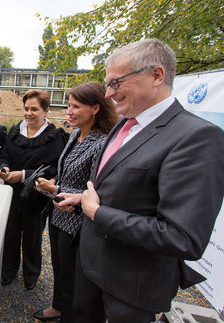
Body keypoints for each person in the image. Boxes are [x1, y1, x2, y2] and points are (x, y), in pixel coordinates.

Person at [76, 38, 224, 322]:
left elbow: (182, 237)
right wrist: (81, 200)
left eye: (116, 83)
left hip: (131, 287)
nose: (108, 94)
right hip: (91, 269)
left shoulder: (196, 138)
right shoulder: (125, 123)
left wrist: (97, 212)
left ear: (156, 75)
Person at [32, 82, 118, 322]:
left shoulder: (101, 144)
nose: (68, 111)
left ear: (96, 109)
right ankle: (58, 307)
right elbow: (67, 172)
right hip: (58, 215)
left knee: (74, 278)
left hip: (78, 223)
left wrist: (56, 188)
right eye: (69, 105)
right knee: (59, 269)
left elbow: (94, 189)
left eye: (75, 106)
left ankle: (68, 314)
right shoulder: (74, 135)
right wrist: (54, 182)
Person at [0, 89, 67, 290]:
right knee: (10, 235)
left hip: (37, 198)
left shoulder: (55, 137)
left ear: (45, 110)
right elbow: (4, 155)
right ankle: (8, 270)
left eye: (34, 109)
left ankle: (31, 272)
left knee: (33, 237)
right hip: (12, 194)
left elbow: (55, 168)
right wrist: (4, 168)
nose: (28, 113)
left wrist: (24, 174)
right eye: (26, 109)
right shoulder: (15, 131)